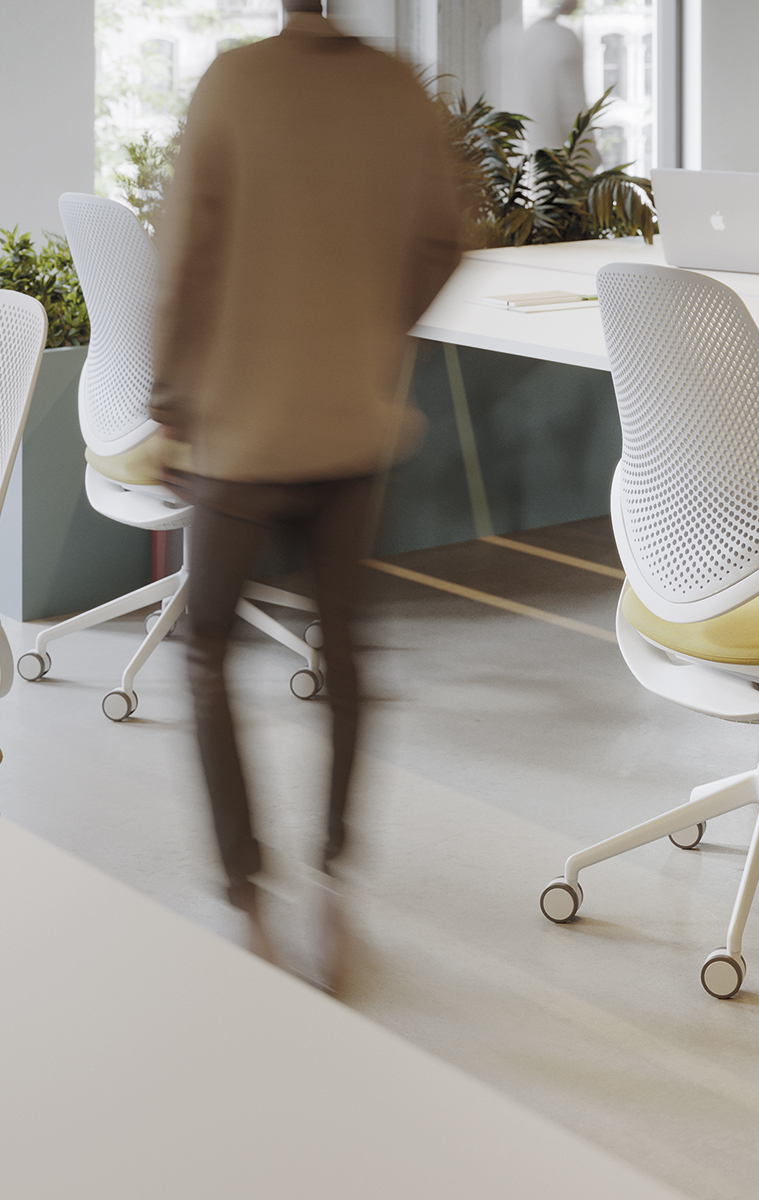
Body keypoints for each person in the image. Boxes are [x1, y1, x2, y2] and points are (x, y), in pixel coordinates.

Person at [149, 0, 463, 984]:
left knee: (205, 655)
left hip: (242, 434)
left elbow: (185, 259)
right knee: (346, 656)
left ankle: (248, 901)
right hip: (351, 424)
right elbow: (447, 239)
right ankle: (330, 892)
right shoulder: (399, 87)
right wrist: (375, 331)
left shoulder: (235, 83)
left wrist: (169, 402)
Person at [487, 0, 592, 156]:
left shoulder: (500, 37)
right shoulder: (561, 38)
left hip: (508, 168)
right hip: (554, 167)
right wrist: (590, 158)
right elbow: (576, 120)